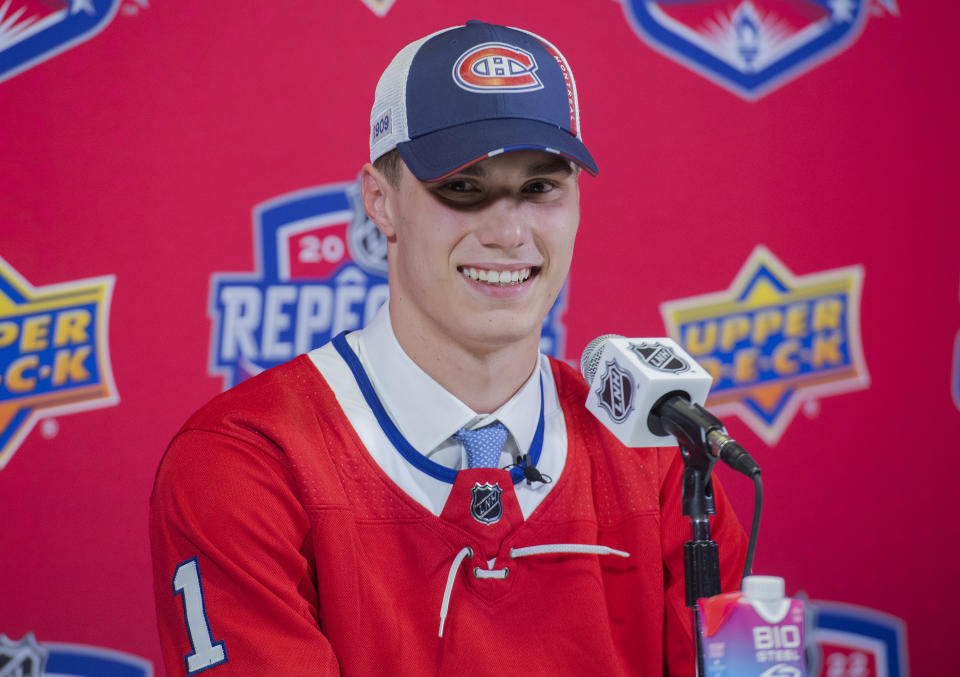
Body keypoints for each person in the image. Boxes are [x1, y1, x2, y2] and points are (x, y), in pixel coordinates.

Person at [150, 20, 747, 676]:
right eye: (463, 188)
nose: (509, 231)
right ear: (380, 201)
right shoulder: (247, 459)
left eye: (541, 187)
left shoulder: (660, 454)